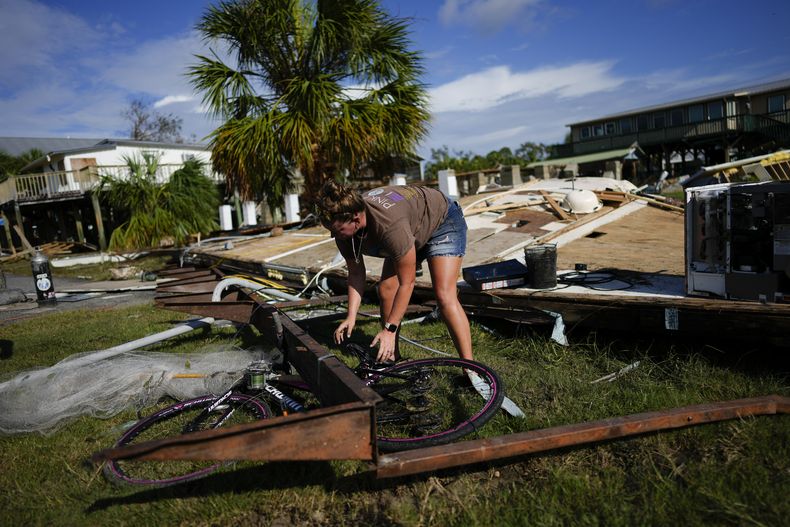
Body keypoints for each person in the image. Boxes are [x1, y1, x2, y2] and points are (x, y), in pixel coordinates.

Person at [316, 180, 473, 363]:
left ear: (356, 219)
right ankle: (391, 356)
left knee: (444, 295)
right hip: (410, 228)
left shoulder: (388, 226)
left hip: (441, 221)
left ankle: (470, 367)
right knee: (387, 290)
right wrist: (351, 316)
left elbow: (407, 283)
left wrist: (390, 330)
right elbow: (356, 273)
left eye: (338, 231)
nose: (334, 236)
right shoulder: (345, 233)